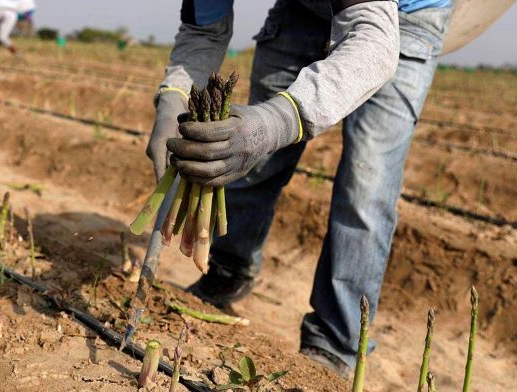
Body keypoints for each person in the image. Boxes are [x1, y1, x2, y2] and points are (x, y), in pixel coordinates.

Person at [147, 0, 453, 377]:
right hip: (302, 11)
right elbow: (202, 30)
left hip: (401, 20)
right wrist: (174, 96)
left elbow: (374, 42)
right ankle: (227, 270)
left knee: (366, 187)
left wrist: (277, 121)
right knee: (250, 159)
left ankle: (337, 340)